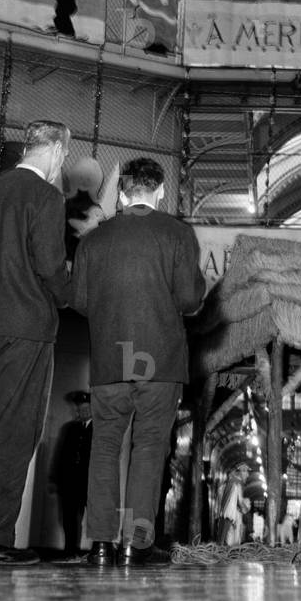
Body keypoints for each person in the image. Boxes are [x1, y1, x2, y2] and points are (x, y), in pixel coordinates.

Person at [71, 157, 206, 566]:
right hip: (160, 362)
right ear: (161, 190)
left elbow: (78, 301)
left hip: (110, 360)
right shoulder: (178, 234)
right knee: (148, 447)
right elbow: (189, 299)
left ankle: (99, 543)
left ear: (123, 192)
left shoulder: (93, 240)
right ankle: (135, 543)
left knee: (105, 446)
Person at [0, 120, 71, 566]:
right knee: (12, 431)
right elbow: (49, 264)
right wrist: (68, 292)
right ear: (58, 151)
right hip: (24, 331)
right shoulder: (45, 197)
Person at [50, 391, 92, 559]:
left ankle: (98, 550)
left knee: (93, 517)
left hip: (88, 482)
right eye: (80, 409)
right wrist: (54, 479)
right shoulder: (69, 429)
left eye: (86, 409)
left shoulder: (99, 430)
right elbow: (60, 455)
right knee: (68, 518)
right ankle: (70, 551)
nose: (83, 412)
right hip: (69, 482)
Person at [217, 463, 251, 547]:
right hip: (233, 516)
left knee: (227, 538)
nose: (247, 475)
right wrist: (247, 510)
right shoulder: (236, 484)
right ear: (240, 472)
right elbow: (239, 502)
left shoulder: (228, 484)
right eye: (245, 472)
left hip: (227, 515)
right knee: (232, 541)